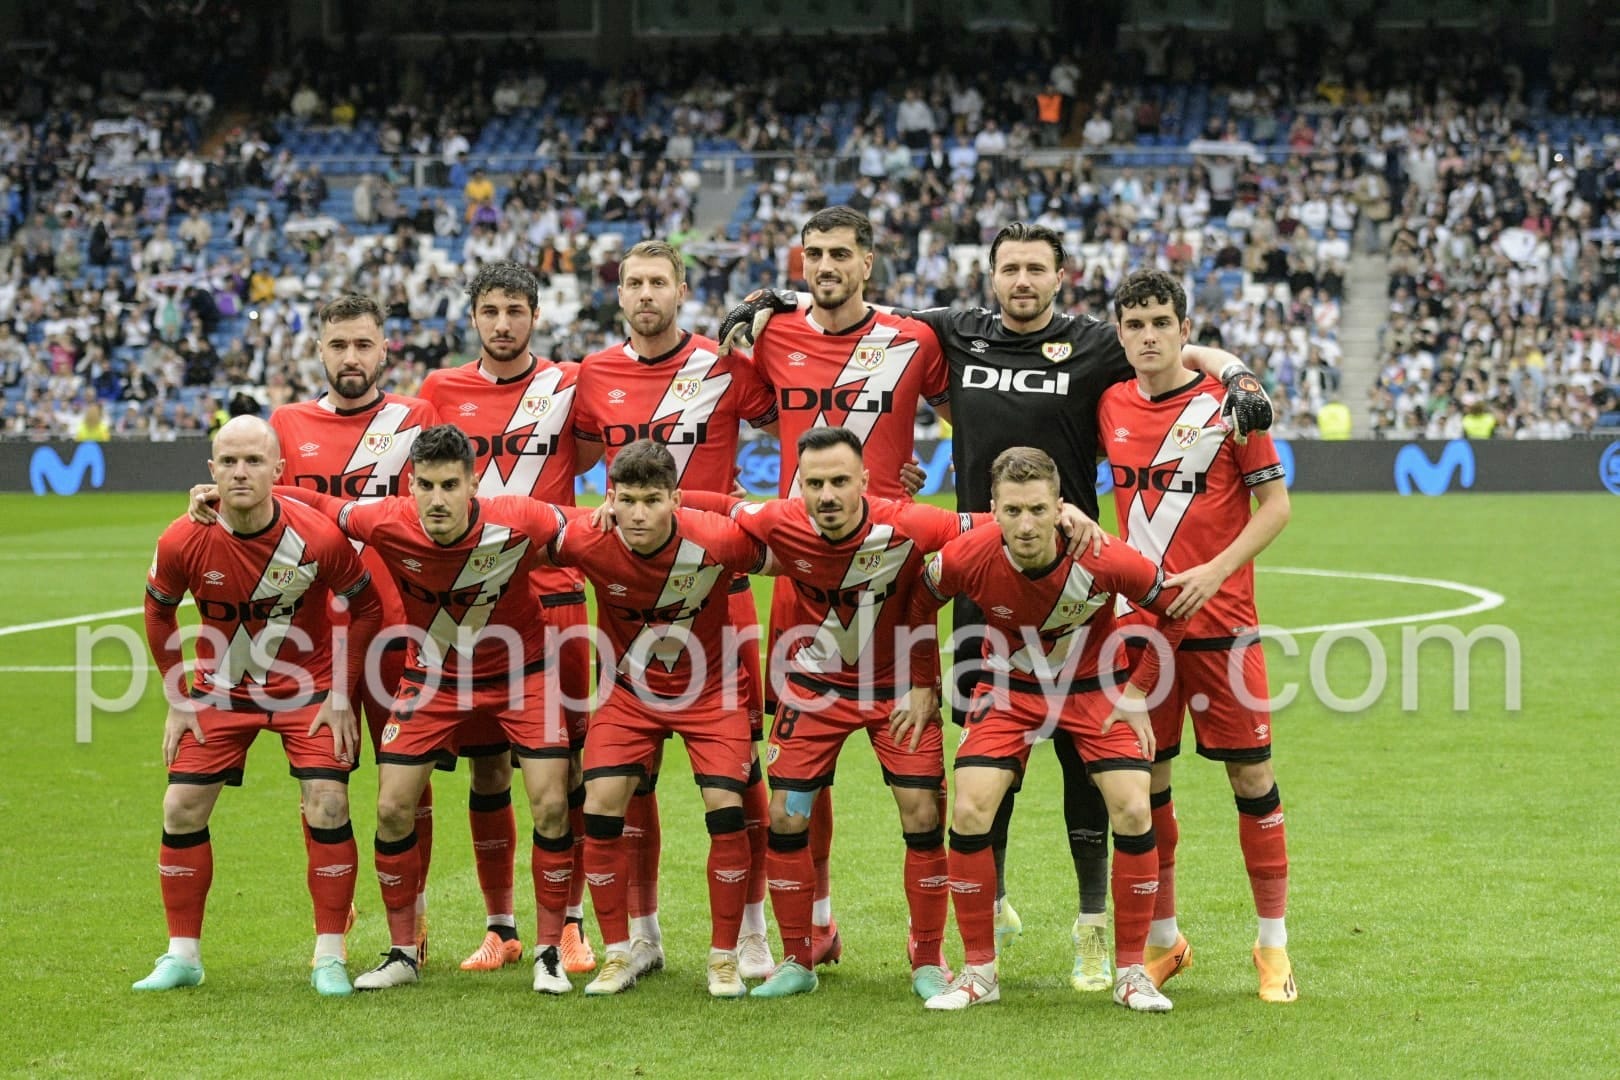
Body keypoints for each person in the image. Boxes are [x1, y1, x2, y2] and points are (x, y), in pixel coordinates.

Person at [719, 220, 1272, 992]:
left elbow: (1174, 349)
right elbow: (869, 311)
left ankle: (1091, 926)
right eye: (1009, 268)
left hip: (1073, 567)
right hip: (986, 569)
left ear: (1059, 276)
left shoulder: (1093, 343)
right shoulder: (952, 334)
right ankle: (993, 911)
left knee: (1094, 769)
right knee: (984, 763)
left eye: (1035, 269)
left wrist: (1236, 369)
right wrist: (788, 297)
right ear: (992, 276)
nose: (1021, 280)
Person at [677, 427, 1098, 1001]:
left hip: (897, 690)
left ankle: (927, 956)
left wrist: (1068, 511)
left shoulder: (911, 523)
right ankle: (799, 958)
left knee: (923, 813)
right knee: (787, 817)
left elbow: (997, 518)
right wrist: (667, 498)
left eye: (840, 482)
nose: (827, 496)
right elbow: (721, 505)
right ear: (799, 485)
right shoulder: (779, 519)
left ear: (864, 483)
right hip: (813, 691)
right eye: (815, 483)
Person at [192, 424, 585, 993]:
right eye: (425, 485)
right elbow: (323, 503)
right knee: (394, 808)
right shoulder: (386, 520)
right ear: (410, 484)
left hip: (523, 677)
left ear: (474, 483)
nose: (437, 499)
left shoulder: (521, 517)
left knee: (551, 804)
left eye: (451, 485)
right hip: (432, 680)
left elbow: (597, 530)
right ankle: (403, 951)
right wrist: (224, 493)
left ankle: (549, 950)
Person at [737, 206, 954, 965]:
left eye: (838, 254)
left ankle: (935, 943)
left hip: (892, 572)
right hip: (806, 575)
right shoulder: (773, 338)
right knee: (803, 780)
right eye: (812, 254)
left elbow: (973, 413)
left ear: (869, 262)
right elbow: (761, 419)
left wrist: (907, 481)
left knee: (922, 794)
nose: (823, 266)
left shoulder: (914, 342)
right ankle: (816, 926)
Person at [905, 445, 1187, 1012]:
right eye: (1012, 511)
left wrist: (1137, 692)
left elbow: (1175, 605)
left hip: (1095, 692)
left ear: (1061, 507)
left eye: (1037, 509)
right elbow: (919, 600)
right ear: (994, 509)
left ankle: (1132, 973)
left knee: (1134, 807)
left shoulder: (1103, 556)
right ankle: (980, 972)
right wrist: (922, 684)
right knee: (968, 809)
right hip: (1009, 692)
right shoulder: (969, 554)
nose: (1026, 524)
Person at [572, 240, 781, 979]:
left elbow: (796, 426)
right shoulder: (590, 375)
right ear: (619, 293)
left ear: (683, 290)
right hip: (629, 608)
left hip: (717, 595)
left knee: (741, 778)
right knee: (630, 783)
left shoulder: (723, 366)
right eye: (634, 282)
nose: (646, 294)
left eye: (659, 281)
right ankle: (644, 936)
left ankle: (752, 930)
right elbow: (558, 466)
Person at [1099, 269, 1295, 1002]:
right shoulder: (1109, 402)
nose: (1148, 336)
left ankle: (1272, 944)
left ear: (1186, 329)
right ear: (1118, 334)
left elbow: (1274, 507)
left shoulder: (1232, 410)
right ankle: (1164, 940)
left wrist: (1217, 570)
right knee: (1146, 784)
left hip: (1223, 626)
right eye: (1135, 324)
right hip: (1141, 632)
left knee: (1251, 778)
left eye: (1161, 322)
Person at [140, 416, 381, 997]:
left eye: (253, 462)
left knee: (326, 802)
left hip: (310, 689)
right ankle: (183, 956)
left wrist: (344, 694)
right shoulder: (182, 538)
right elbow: (158, 612)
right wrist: (178, 695)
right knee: (181, 808)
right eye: (228, 462)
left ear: (278, 470)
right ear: (211, 472)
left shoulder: (317, 536)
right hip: (222, 691)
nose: (240, 472)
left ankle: (329, 955)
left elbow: (365, 606)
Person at [420, 263, 603, 976]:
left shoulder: (567, 384)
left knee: (569, 768)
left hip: (555, 600)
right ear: (473, 317)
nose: (503, 322)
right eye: (490, 310)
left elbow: (595, 453)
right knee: (488, 765)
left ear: (536, 315)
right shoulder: (440, 391)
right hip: (471, 609)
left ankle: (574, 922)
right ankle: (501, 927)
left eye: (516, 310)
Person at [553, 441, 774, 998]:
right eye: (626, 500)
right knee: (598, 806)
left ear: (675, 499)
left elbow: (789, 541)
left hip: (714, 690)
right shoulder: (589, 539)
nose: (639, 513)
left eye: (653, 500)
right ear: (610, 499)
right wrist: (587, 514)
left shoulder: (720, 539)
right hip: (630, 695)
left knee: (727, 809)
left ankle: (724, 956)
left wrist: (721, 501)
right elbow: (523, 525)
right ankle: (621, 953)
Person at [270, 293, 442, 961]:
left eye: (363, 345)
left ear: (384, 349)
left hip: (400, 630)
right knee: (323, 785)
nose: (351, 358)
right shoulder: (286, 423)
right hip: (313, 640)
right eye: (338, 346)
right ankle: (334, 931)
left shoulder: (416, 418)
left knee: (408, 785)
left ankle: (415, 924)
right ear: (319, 350)